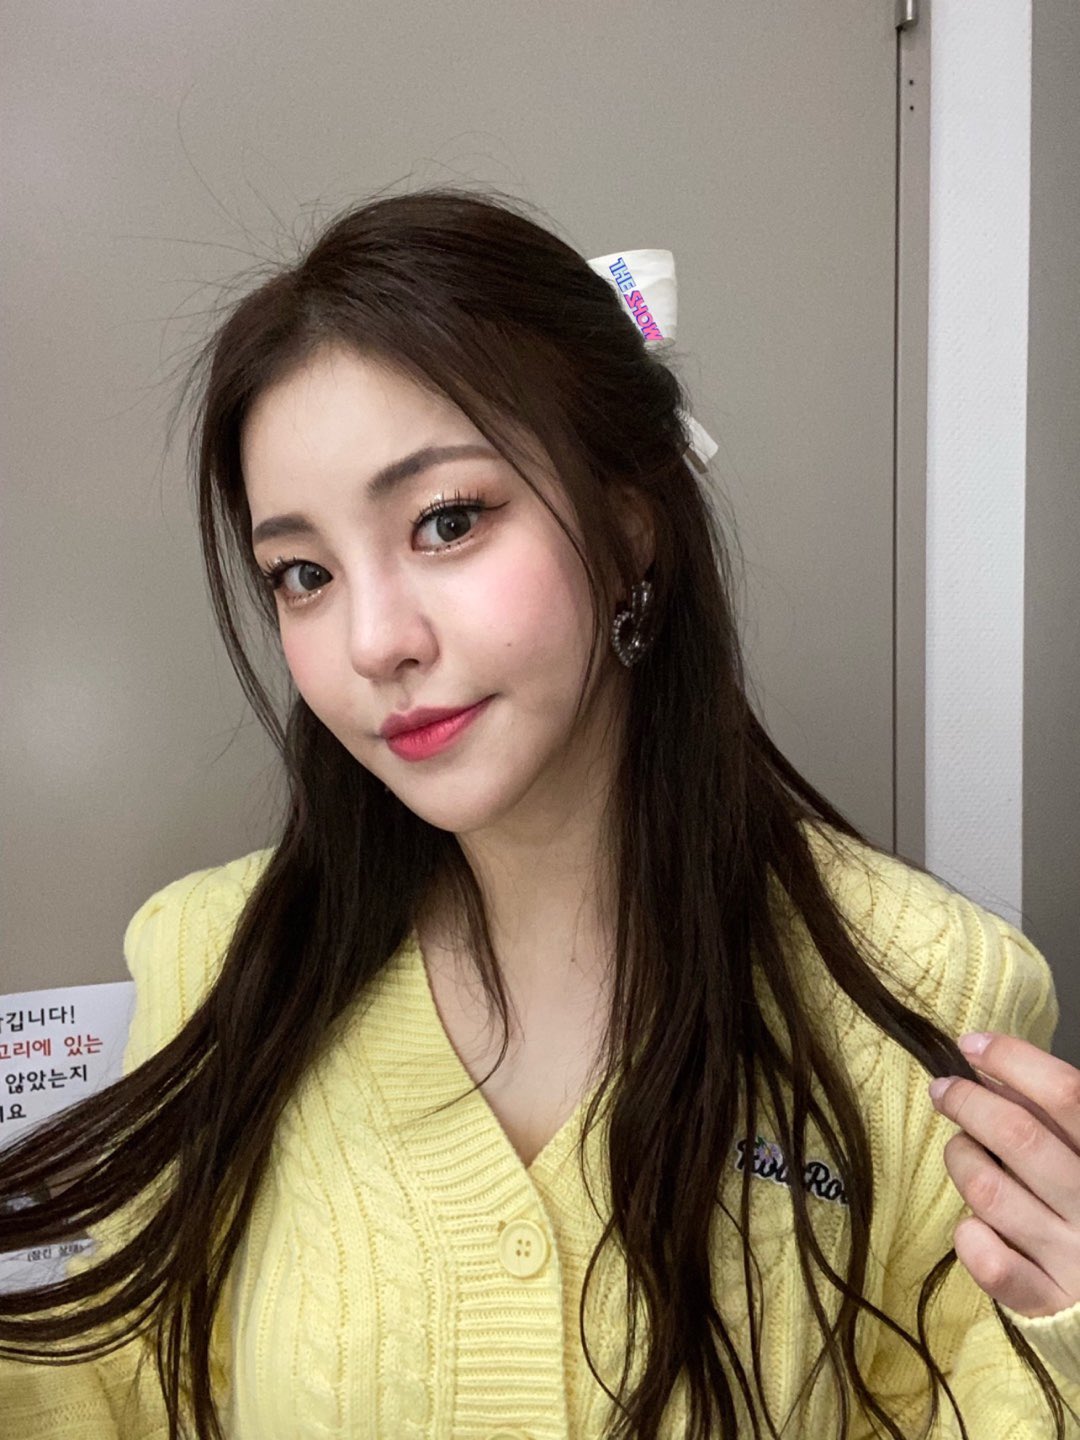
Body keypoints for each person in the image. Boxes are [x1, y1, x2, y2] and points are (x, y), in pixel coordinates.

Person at [1, 187, 1079, 1440]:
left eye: (448, 522)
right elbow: (110, 1396)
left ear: (627, 526)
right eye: (303, 573)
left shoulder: (924, 992)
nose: (374, 642)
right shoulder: (210, 963)